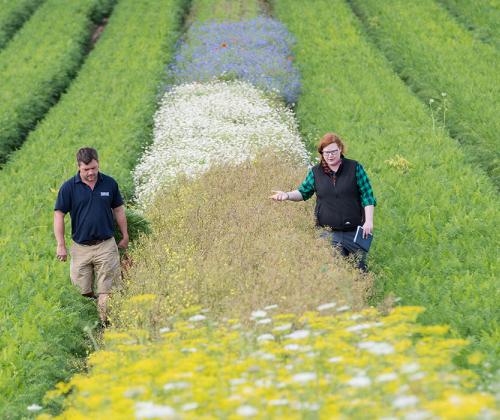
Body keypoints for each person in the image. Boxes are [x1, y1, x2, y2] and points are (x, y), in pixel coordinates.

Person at [270, 132, 376, 271]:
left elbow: (367, 195)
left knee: (359, 271)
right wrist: (287, 195)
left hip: (354, 232)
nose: (330, 156)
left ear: (340, 150)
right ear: (322, 153)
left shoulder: (355, 168)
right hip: (327, 233)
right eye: (326, 153)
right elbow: (303, 192)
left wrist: (368, 221)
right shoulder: (316, 172)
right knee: (333, 272)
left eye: (333, 151)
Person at [54, 147, 128, 325]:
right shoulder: (69, 187)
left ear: (98, 163)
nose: (91, 172)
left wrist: (125, 234)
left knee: (107, 291)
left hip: (106, 245)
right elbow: (59, 214)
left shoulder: (109, 184)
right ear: (78, 167)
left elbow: (118, 209)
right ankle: (90, 322)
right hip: (81, 248)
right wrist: (61, 244)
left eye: (94, 168)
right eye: (86, 169)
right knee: (82, 291)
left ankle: (106, 325)